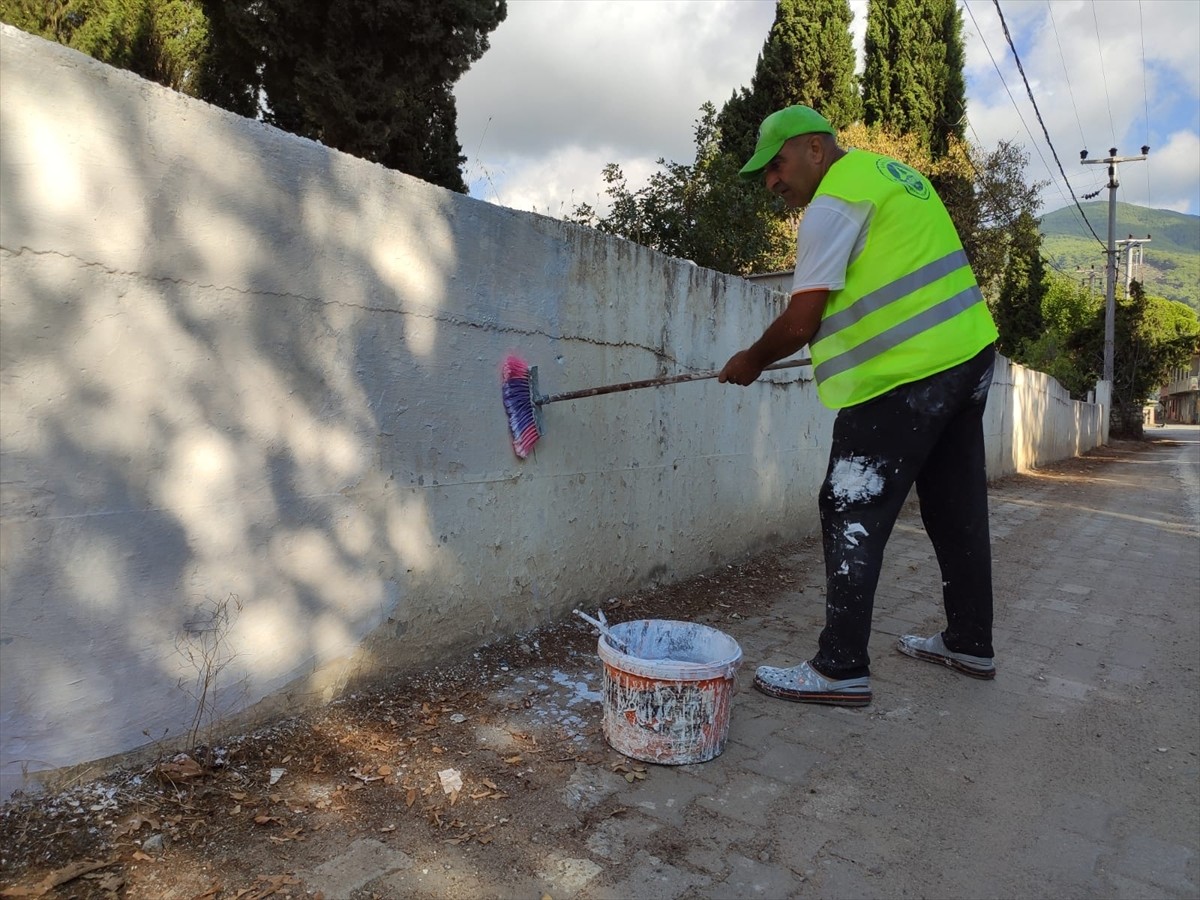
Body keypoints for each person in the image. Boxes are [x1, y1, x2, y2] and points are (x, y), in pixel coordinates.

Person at [718, 105, 1000, 707]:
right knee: (955, 507)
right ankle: (970, 641)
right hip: (968, 355)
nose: (771, 182)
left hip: (905, 375)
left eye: (777, 164)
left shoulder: (832, 204)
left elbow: (800, 322)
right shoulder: (890, 175)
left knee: (850, 506)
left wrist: (750, 359)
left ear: (815, 149)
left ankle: (840, 666)